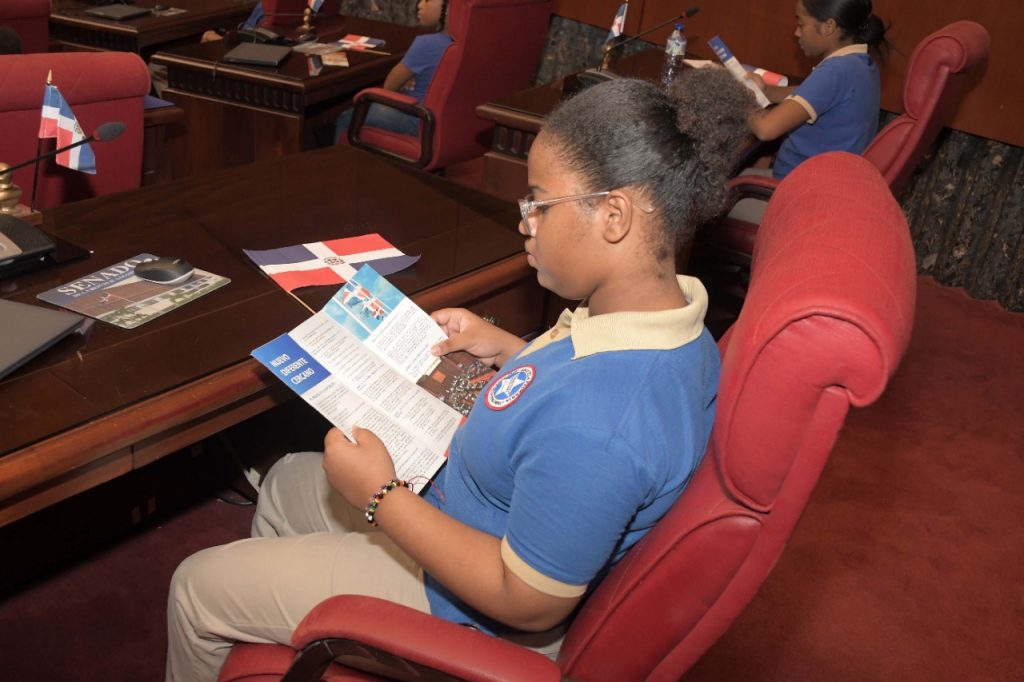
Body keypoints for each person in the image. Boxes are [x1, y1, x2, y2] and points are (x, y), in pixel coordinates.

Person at [165, 67, 757, 681]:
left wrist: (380, 496)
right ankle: (286, 642)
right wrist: (502, 345)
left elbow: (525, 600)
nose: (524, 220)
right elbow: (579, 373)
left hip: (462, 600)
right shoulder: (672, 313)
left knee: (195, 587)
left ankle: (293, 620)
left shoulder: (603, 427)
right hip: (469, 508)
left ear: (613, 216)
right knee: (288, 479)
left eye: (540, 203)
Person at [746, 0, 890, 179]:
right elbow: (810, 93)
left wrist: (738, 98)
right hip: (828, 183)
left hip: (796, 189)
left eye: (801, 24)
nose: (796, 33)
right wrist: (765, 91)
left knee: (724, 184)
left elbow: (765, 129)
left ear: (828, 26)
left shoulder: (835, 71)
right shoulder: (861, 63)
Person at [334, 0, 452, 142]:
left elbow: (389, 87)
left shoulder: (426, 43)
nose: (419, 5)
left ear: (447, 9)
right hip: (443, 122)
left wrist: (407, 79)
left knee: (346, 118)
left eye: (427, 1)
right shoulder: (460, 41)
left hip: (416, 119)